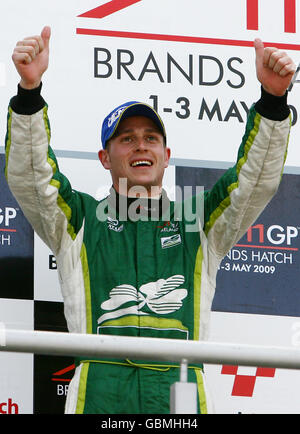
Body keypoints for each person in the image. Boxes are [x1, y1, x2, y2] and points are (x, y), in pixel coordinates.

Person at [5, 26, 296, 414]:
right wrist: (29, 94)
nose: (140, 145)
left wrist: (273, 102)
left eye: (150, 138)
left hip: (179, 390)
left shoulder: (199, 221)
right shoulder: (79, 220)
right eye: (125, 138)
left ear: (166, 154)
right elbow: (32, 176)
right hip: (100, 394)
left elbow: (253, 182)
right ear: (105, 159)